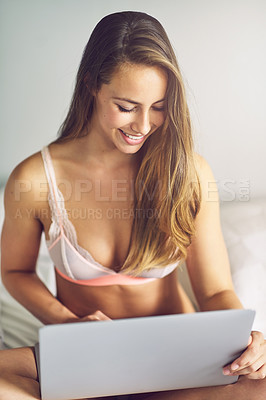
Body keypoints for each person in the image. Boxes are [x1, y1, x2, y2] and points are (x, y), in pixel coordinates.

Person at [0, 10, 265, 400]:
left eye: (158, 106)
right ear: (91, 84)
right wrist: (67, 323)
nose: (143, 124)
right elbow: (15, 270)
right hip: (86, 360)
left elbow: (215, 291)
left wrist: (246, 340)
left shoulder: (188, 172)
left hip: (180, 362)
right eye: (126, 106)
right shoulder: (36, 179)